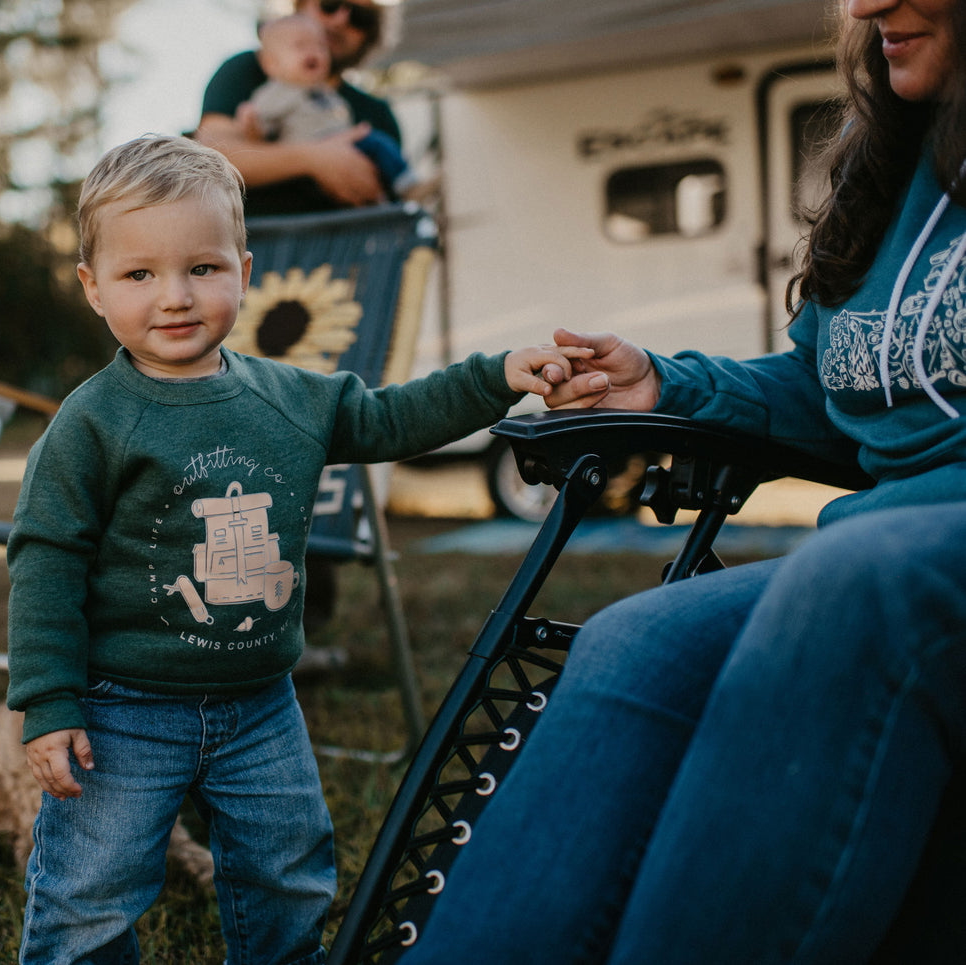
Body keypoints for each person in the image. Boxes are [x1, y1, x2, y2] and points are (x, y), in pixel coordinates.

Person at [400, 0, 966, 962]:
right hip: (875, 548)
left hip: (898, 562)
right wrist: (665, 383)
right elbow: (829, 391)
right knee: (635, 638)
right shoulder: (894, 162)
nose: (866, 5)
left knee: (852, 578)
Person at [5, 133, 589, 965]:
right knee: (89, 886)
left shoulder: (290, 399)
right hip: (122, 706)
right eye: (140, 275)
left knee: (286, 868)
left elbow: (394, 418)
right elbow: (45, 559)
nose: (174, 297)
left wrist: (498, 375)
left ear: (243, 270)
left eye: (201, 268)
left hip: (259, 704)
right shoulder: (92, 423)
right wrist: (49, 697)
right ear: (94, 289)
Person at [196, 0, 402, 215]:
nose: (341, 20)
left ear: (370, 35)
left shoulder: (377, 114)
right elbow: (214, 156)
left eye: (360, 17)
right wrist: (315, 158)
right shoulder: (247, 70)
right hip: (258, 241)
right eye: (330, 5)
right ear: (300, 5)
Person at [239, 14, 424, 202]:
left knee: (376, 152)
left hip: (345, 147)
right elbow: (262, 128)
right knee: (376, 144)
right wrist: (252, 125)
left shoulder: (325, 91)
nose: (312, 52)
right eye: (300, 46)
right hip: (311, 152)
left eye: (320, 46)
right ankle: (406, 186)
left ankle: (399, 192)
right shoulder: (275, 93)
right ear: (272, 63)